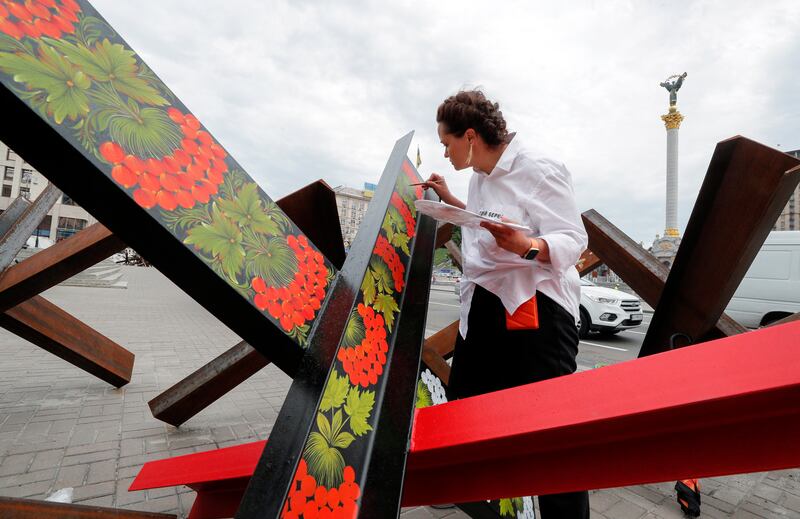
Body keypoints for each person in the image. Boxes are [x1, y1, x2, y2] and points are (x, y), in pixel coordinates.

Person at [422, 89, 590, 518]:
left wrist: (528, 246)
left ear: (471, 136)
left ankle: (563, 513)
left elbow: (574, 238)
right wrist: (452, 202)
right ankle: (466, 488)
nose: (444, 151)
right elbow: (486, 221)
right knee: (465, 404)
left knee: (549, 427)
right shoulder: (479, 176)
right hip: (484, 302)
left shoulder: (539, 169)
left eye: (447, 142)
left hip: (534, 306)